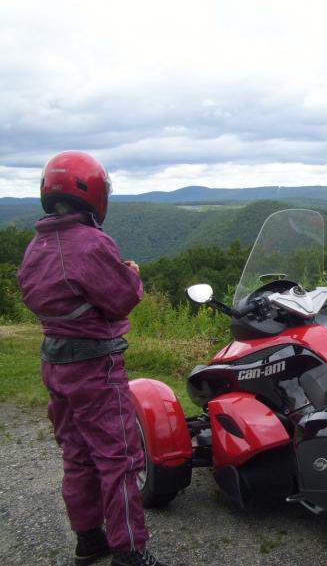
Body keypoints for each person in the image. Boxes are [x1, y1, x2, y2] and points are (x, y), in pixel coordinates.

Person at [17, 151, 167, 566]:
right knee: (118, 458)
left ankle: (89, 539)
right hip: (94, 368)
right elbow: (121, 300)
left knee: (76, 452)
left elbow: (44, 293)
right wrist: (131, 273)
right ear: (96, 192)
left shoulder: (37, 244)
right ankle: (130, 552)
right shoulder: (92, 242)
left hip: (55, 362)